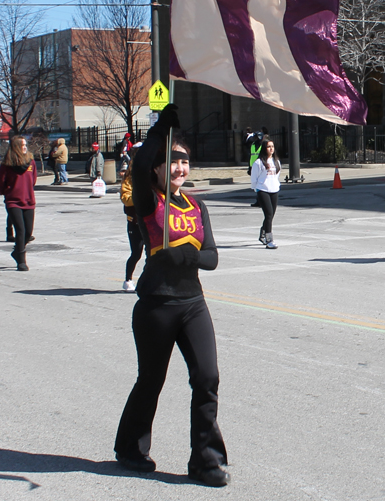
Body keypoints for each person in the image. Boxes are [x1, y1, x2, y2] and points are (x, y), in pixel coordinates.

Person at [114, 104, 229, 487]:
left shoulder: (197, 205)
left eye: (185, 162)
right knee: (151, 380)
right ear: (159, 168)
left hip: (192, 303)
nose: (180, 168)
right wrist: (158, 132)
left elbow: (211, 257)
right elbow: (138, 164)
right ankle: (131, 447)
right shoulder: (149, 201)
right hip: (156, 305)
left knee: (207, 377)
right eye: (172, 161)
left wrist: (188, 254)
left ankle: (206, 461)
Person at [0, 136, 37, 271]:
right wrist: (7, 192)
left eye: (26, 145)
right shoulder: (7, 164)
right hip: (13, 201)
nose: (25, 147)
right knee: (20, 230)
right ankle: (21, 260)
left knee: (28, 232)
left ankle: (16, 251)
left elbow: (33, 180)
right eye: (22, 145)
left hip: (29, 201)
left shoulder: (31, 162)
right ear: (16, 147)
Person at [120, 143, 144, 292]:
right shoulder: (130, 176)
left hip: (151, 219)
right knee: (136, 253)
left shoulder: (153, 172)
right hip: (135, 221)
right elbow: (125, 197)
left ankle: (149, 280)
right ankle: (128, 280)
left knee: (154, 252)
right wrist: (141, 197)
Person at [251, 138, 281, 249]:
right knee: (268, 214)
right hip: (263, 190)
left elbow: (277, 175)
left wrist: (277, 185)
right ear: (264, 148)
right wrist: (257, 190)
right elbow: (254, 178)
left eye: (272, 146)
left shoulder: (276, 161)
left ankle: (263, 232)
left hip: (274, 189)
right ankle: (269, 239)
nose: (271, 148)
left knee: (271, 215)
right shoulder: (258, 163)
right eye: (269, 147)